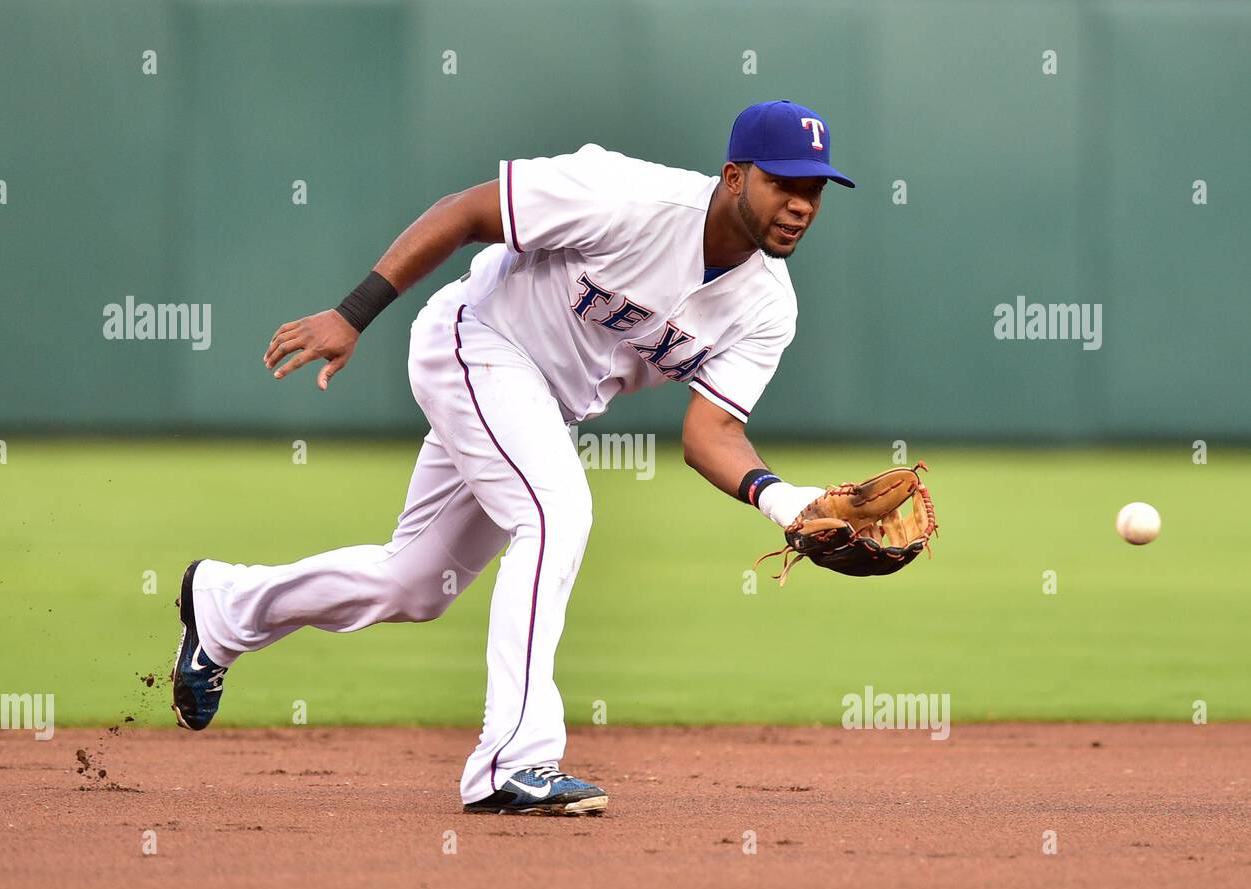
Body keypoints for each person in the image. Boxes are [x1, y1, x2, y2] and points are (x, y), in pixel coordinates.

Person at [170, 99, 855, 816]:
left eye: (814, 191)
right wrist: (352, 313)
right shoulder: (628, 198)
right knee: (556, 512)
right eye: (785, 183)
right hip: (476, 343)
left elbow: (709, 434)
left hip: (538, 405)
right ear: (735, 175)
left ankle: (226, 606)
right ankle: (514, 759)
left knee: (414, 583)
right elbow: (465, 211)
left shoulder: (769, 305)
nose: (801, 205)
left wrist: (783, 500)